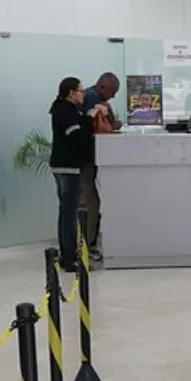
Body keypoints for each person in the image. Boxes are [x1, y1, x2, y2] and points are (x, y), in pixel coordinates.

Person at [49, 77, 103, 272]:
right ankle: (69, 257)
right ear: (71, 93)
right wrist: (89, 117)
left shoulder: (66, 109)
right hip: (67, 167)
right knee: (70, 214)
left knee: (67, 212)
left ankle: (69, 254)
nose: (83, 94)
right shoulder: (65, 110)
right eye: (81, 91)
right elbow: (77, 137)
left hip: (65, 166)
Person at [81, 72, 122, 262]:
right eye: (112, 92)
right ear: (102, 87)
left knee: (91, 203)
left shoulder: (94, 98)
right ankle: (85, 247)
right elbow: (107, 126)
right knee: (90, 204)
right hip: (86, 161)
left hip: (89, 160)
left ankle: (87, 244)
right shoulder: (92, 98)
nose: (113, 96)